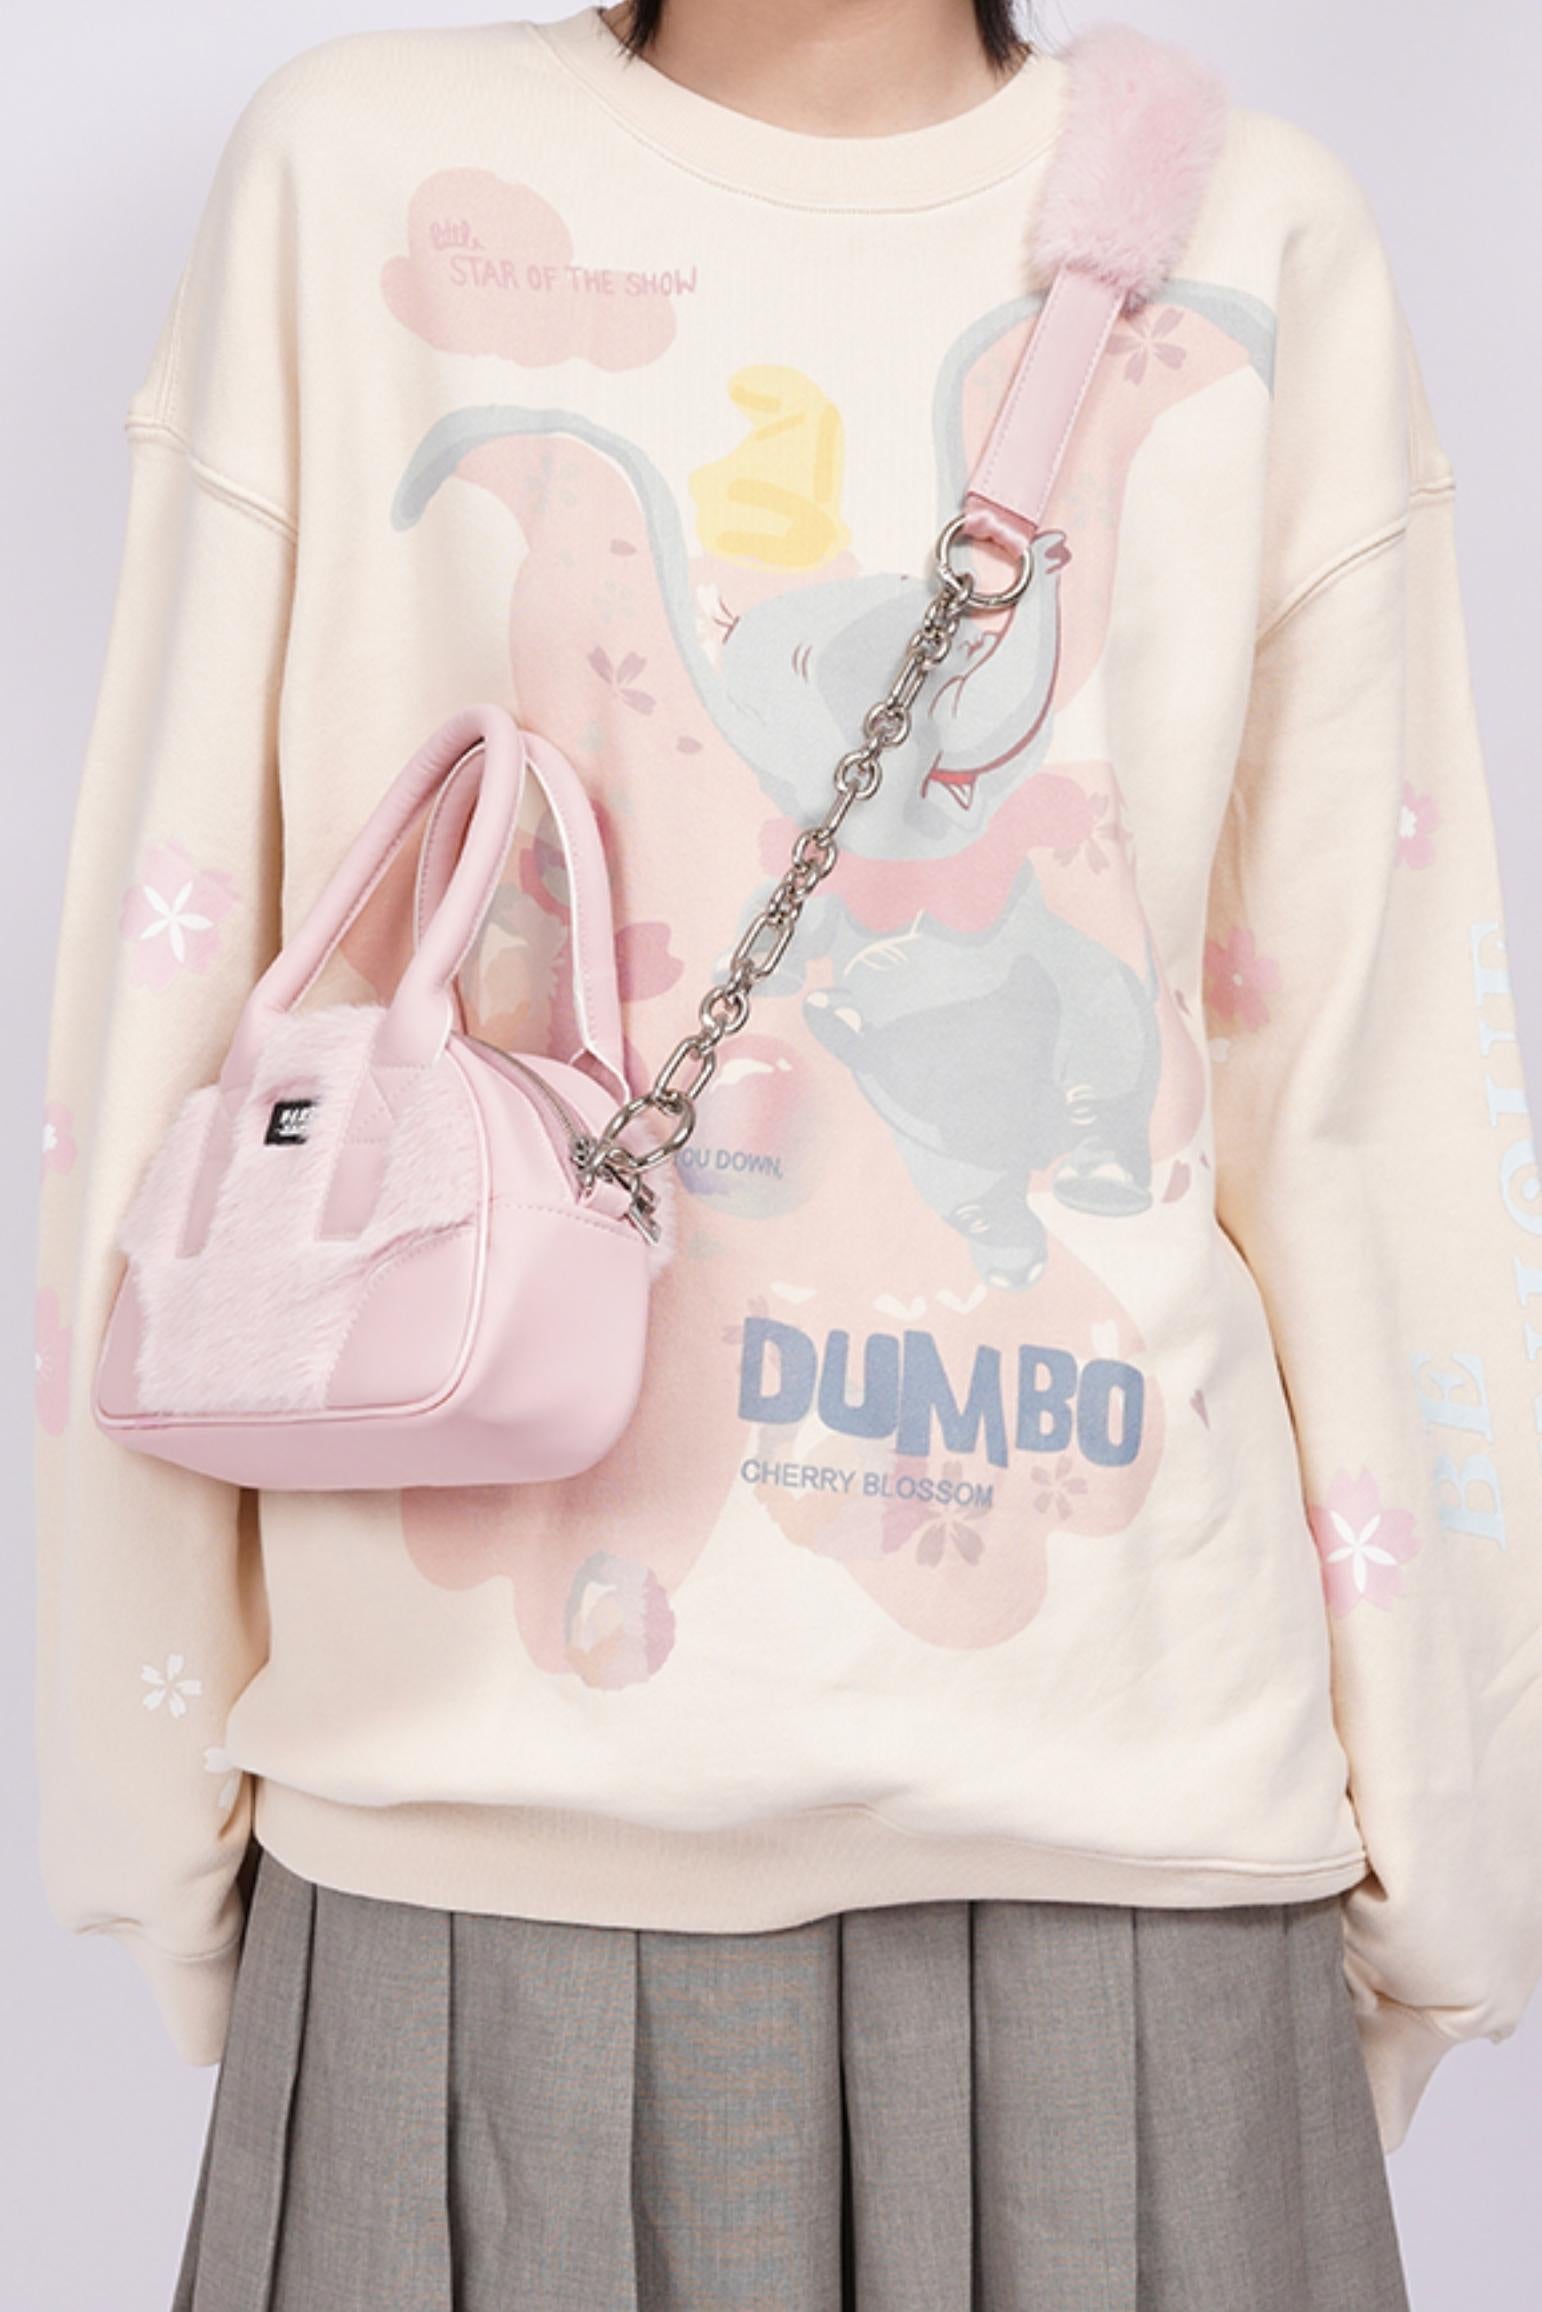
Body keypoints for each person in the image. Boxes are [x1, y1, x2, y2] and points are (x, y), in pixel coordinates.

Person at [32, 1, 1542, 2304]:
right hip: (477, 1838)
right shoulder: (355, 183)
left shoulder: (1254, 236)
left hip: (1127, 1851)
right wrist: (150, 1774)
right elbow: (190, 1032)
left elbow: (1360, 1093)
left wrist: (1453, 1825)